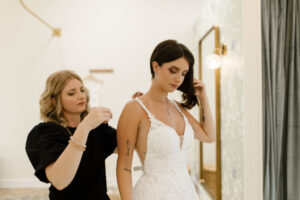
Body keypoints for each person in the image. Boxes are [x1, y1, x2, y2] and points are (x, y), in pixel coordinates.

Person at [116, 40, 216, 200]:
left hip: (186, 192)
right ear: (156, 67)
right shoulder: (135, 108)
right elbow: (124, 166)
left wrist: (203, 97)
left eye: (183, 73)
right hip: (152, 193)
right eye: (173, 70)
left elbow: (209, 136)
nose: (178, 79)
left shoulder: (178, 108)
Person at [25, 70, 142, 200]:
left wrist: (134, 113)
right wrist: (85, 127)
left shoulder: (97, 129)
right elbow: (59, 181)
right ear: (54, 100)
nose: (81, 96)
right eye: (71, 93)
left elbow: (130, 145)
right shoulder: (43, 133)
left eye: (82, 90)